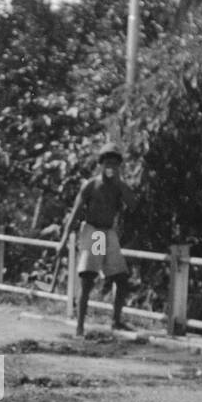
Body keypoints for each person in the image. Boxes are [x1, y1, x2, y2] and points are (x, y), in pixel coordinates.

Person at [52, 143, 139, 337]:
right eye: (107, 163)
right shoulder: (91, 185)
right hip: (96, 233)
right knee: (88, 278)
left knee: (121, 278)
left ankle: (116, 321)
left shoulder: (119, 186)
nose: (110, 168)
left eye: (114, 164)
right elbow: (74, 214)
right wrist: (63, 240)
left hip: (108, 232)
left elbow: (133, 205)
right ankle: (80, 326)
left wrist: (120, 183)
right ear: (101, 164)